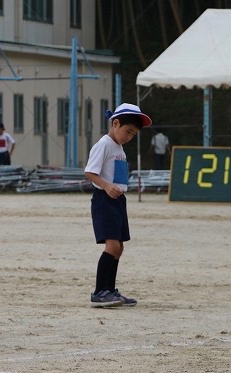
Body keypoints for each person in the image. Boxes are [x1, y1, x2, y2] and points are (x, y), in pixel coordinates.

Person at [84, 102, 152, 308]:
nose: (129, 137)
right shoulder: (104, 144)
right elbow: (89, 172)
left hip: (118, 200)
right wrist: (106, 186)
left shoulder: (119, 147)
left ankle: (110, 290)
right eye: (128, 131)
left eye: (133, 135)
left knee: (119, 247)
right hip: (105, 200)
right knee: (112, 245)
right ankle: (99, 292)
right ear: (115, 123)